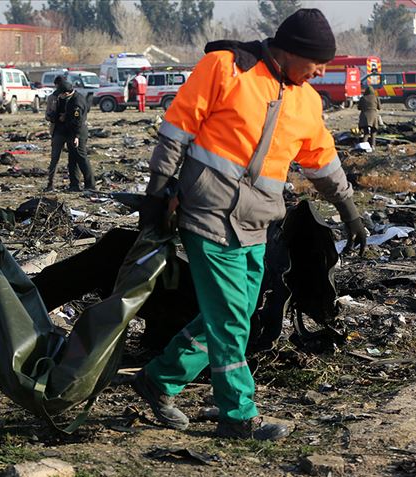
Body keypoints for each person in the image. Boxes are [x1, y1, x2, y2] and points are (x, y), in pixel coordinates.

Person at [132, 8, 366, 441]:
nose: (320, 72)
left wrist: (350, 211)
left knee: (235, 312)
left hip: (256, 222)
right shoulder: (225, 67)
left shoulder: (307, 101)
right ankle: (238, 415)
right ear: (292, 51)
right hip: (206, 213)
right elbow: (176, 131)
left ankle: (158, 380)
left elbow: (323, 163)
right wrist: (157, 192)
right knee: (230, 320)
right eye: (317, 63)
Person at [44, 78, 95, 192]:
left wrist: (76, 136)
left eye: (61, 94)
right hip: (71, 132)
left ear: (66, 93)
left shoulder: (76, 101)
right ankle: (74, 185)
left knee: (82, 158)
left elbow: (78, 121)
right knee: (72, 160)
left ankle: (90, 185)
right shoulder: (72, 98)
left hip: (78, 133)